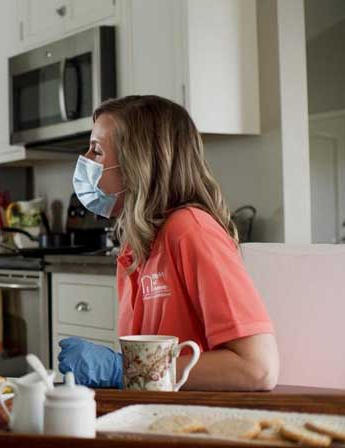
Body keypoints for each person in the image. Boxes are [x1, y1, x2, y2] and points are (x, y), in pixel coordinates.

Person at [59, 95, 279, 391]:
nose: (85, 160)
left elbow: (257, 368)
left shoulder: (191, 230)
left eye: (96, 150)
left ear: (138, 161)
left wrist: (121, 369)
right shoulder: (135, 247)